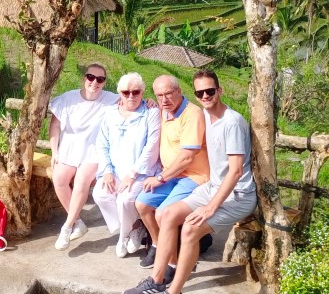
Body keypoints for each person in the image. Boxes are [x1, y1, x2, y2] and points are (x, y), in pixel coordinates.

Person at [125, 69, 256, 294]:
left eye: (210, 91)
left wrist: (210, 207)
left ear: (220, 91)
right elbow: (179, 111)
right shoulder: (204, 115)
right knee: (165, 214)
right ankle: (156, 280)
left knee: (190, 229)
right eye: (200, 93)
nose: (205, 96)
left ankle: (173, 290)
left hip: (238, 195)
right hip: (213, 187)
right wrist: (152, 102)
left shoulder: (231, 122)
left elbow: (235, 173)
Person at [134, 75, 209, 276]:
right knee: (142, 204)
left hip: (193, 176)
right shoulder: (162, 111)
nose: (164, 99)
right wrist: (146, 102)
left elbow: (187, 158)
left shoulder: (192, 114)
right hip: (171, 175)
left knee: (162, 213)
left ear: (179, 92)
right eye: (159, 96)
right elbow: (136, 104)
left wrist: (159, 178)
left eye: (168, 94)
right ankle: (159, 246)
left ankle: (172, 263)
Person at [89, 72, 161, 257]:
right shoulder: (110, 112)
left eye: (136, 92)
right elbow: (102, 143)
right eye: (126, 92)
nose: (130, 96)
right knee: (100, 195)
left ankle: (122, 238)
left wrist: (133, 173)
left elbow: (152, 146)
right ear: (119, 92)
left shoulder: (151, 112)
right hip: (114, 170)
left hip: (141, 172)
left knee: (125, 200)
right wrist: (106, 171)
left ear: (143, 92)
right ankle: (135, 227)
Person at [49, 63, 118, 250]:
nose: (94, 82)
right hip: (69, 148)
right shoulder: (68, 99)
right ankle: (78, 222)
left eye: (100, 79)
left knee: (81, 182)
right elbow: (55, 126)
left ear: (104, 83)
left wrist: (151, 102)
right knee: (59, 179)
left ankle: (67, 226)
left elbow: (134, 98)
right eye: (91, 77)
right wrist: (54, 151)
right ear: (84, 78)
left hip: (93, 151)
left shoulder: (111, 99)